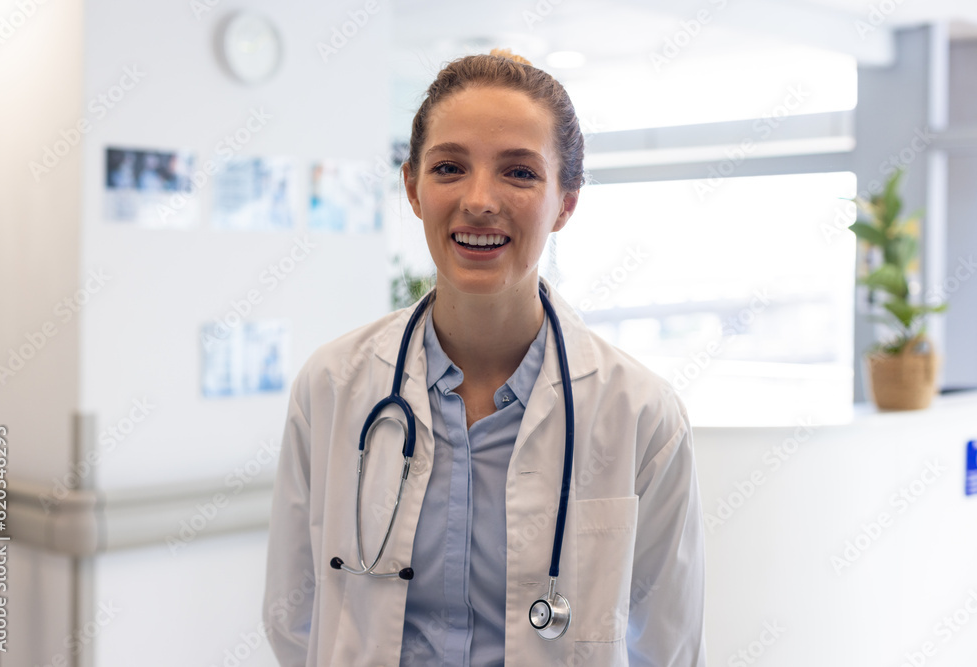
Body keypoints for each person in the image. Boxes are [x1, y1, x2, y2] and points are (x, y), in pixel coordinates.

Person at [263, 49, 706, 666]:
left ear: (566, 202)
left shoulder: (640, 413)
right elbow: (294, 616)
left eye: (519, 173)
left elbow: (668, 643)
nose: (478, 200)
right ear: (414, 189)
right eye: (449, 167)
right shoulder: (333, 385)